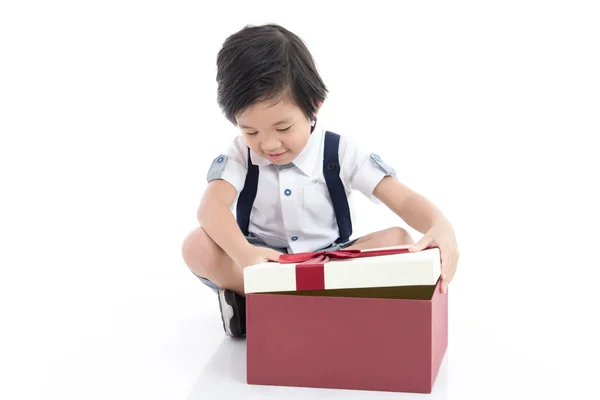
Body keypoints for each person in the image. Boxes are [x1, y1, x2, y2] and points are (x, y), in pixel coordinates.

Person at [181, 23, 459, 338]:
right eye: (251, 131)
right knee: (197, 246)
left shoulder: (341, 151)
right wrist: (244, 254)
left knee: (397, 240)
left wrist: (441, 225)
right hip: (263, 263)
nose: (269, 144)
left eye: (283, 128)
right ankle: (309, 306)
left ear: (314, 106)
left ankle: (268, 306)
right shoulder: (240, 155)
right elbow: (211, 208)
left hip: (331, 264)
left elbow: (403, 199)